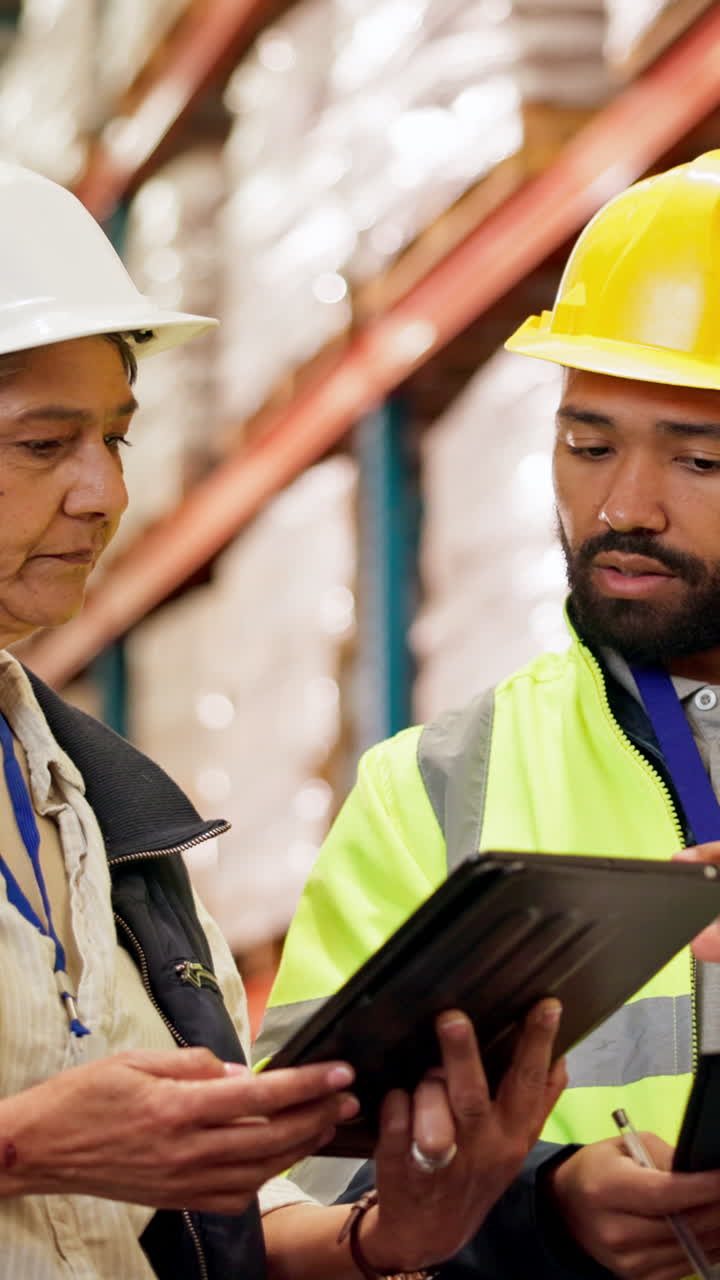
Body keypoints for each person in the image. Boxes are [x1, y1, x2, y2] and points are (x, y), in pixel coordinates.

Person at [0, 160, 569, 1280]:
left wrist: (387, 1233)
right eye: (42, 444)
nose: (106, 493)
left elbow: (216, 1225)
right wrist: (23, 1146)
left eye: (115, 438)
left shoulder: (111, 821)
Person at [255, 147, 720, 1280]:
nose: (623, 506)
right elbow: (291, 1194)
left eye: (702, 460)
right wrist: (542, 1210)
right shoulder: (435, 786)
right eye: (586, 444)